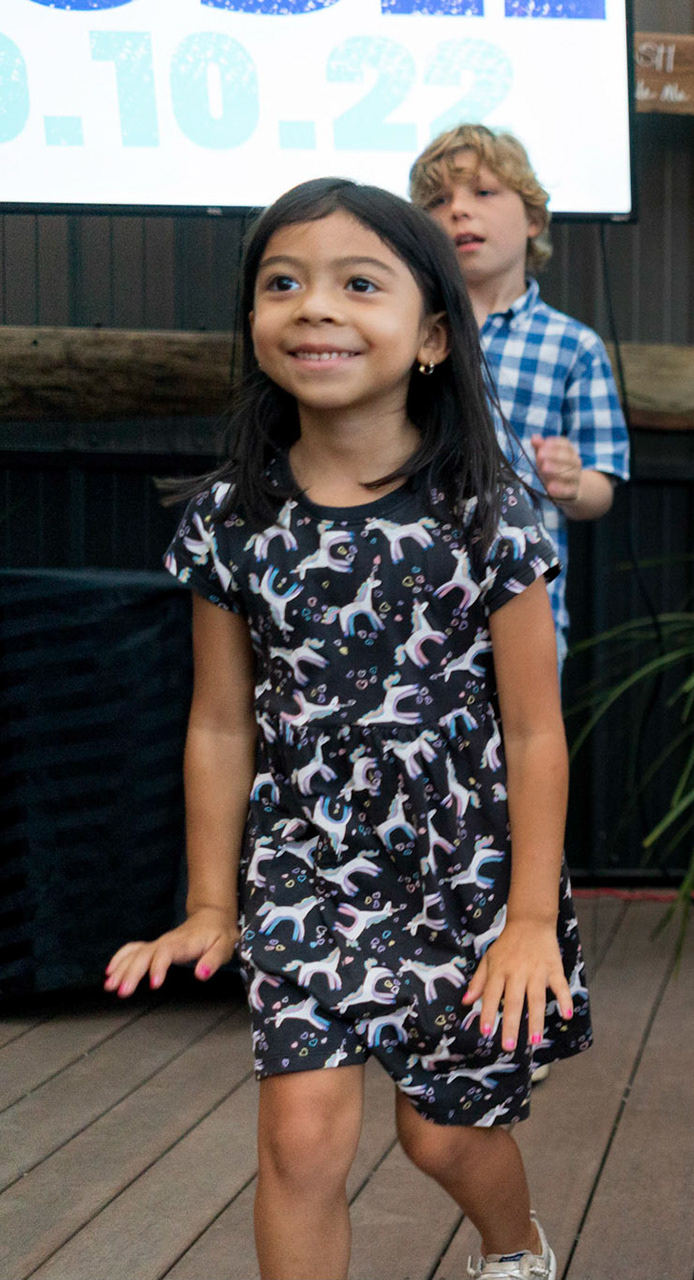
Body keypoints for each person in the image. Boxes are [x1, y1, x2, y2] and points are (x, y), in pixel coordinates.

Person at [105, 178, 591, 1280]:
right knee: (303, 1138)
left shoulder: (488, 510)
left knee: (444, 1133)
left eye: (355, 283)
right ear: (253, 325)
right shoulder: (232, 519)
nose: (312, 306)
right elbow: (222, 724)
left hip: (464, 878)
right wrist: (211, 902)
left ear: (429, 334)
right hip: (307, 866)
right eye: (283, 283)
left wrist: (527, 919)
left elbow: (536, 731)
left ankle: (514, 1248)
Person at [411, 123, 630, 663]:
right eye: (438, 201)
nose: (459, 210)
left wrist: (573, 483)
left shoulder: (573, 346)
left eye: (483, 192)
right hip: (409, 601)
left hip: (526, 607)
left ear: (533, 218)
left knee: (527, 746)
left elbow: (601, 488)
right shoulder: (405, 333)